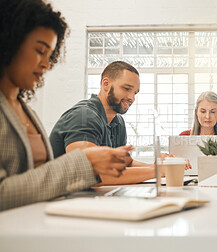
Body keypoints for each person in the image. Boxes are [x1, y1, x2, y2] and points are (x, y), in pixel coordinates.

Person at [0, 0, 132, 211]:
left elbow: (40, 177)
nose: (46, 63)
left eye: (50, 54)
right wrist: (84, 161)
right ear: (9, 43)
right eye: (39, 51)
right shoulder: (84, 115)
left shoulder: (25, 111)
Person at [50, 61, 160, 185]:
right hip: (61, 199)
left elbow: (126, 163)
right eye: (126, 89)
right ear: (106, 84)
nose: (131, 98)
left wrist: (160, 165)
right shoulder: (84, 116)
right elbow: (88, 173)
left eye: (135, 93)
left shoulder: (118, 122)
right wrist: (156, 171)